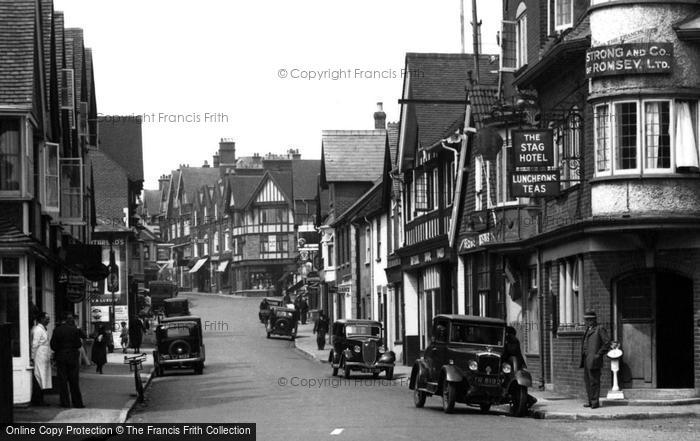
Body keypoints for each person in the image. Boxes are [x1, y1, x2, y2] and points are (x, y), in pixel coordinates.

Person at [50, 316, 85, 408]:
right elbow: (79, 343)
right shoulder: (74, 330)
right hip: (72, 357)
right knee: (74, 381)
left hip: (61, 356)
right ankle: (77, 402)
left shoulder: (57, 330)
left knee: (62, 381)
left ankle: (65, 402)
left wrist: (59, 350)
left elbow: (53, 345)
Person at [580, 310, 611, 409]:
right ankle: (590, 401)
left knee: (594, 381)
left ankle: (595, 402)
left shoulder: (599, 329)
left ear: (594, 320)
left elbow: (607, 343)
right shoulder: (587, 329)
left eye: (589, 320)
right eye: (586, 320)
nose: (587, 322)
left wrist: (598, 354)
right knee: (588, 381)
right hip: (586, 359)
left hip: (594, 359)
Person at [30, 312, 52, 406]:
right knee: (39, 377)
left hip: (43, 356)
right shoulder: (38, 330)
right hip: (39, 356)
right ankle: (38, 400)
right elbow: (34, 345)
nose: (48, 320)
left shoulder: (42, 329)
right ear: (41, 319)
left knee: (42, 377)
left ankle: (40, 399)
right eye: (47, 319)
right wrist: (32, 357)